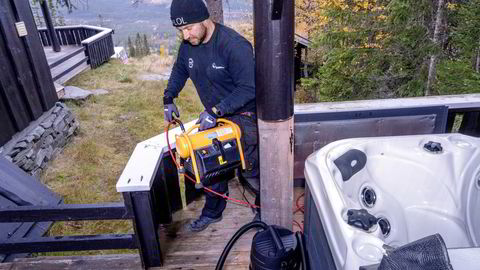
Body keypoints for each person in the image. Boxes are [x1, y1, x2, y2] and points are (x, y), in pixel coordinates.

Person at [163, 0, 260, 232]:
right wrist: (168, 97)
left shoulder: (233, 45)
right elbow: (180, 69)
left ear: (205, 19)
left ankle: (263, 210)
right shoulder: (188, 45)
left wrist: (217, 111)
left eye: (189, 28)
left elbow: (250, 88)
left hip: (242, 113)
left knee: (252, 167)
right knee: (207, 162)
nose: (185, 36)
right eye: (181, 30)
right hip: (214, 115)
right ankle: (213, 212)